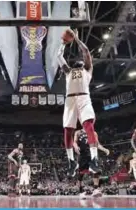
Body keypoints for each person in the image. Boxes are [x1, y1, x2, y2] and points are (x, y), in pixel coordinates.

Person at [57, 29, 98, 177]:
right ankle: (71, 162)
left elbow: (86, 51)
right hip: (70, 100)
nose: (79, 62)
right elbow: (58, 56)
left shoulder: (87, 69)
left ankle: (94, 159)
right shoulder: (68, 71)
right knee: (68, 130)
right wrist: (63, 43)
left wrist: (77, 40)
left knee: (88, 126)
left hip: (84, 98)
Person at [73, 129, 109, 197]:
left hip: (92, 154)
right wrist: (75, 146)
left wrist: (104, 149)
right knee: (81, 174)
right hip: (83, 155)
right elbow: (74, 142)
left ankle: (95, 189)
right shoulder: (78, 132)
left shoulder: (94, 132)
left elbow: (97, 144)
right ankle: (80, 191)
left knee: (96, 171)